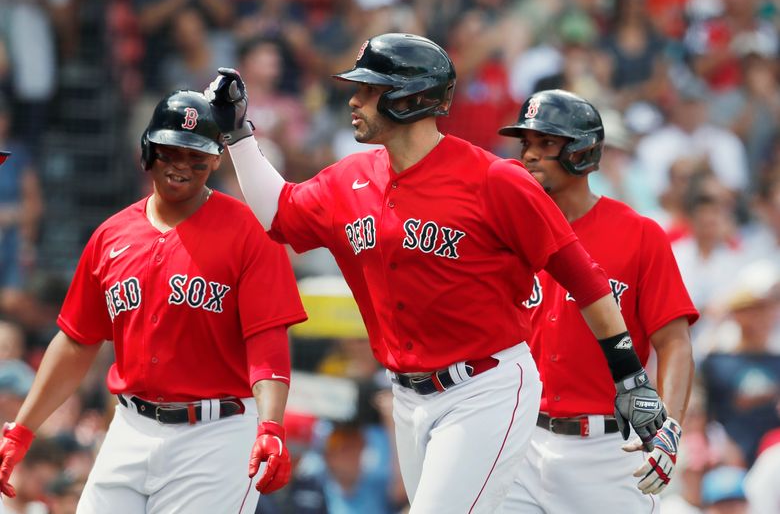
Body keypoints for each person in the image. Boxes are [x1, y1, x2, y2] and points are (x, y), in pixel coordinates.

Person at [207, 33, 667, 513]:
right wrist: (239, 136)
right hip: (406, 397)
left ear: (411, 99)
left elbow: (586, 280)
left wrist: (630, 379)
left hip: (485, 388)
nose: (354, 99)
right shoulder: (349, 178)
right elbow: (278, 214)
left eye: (369, 89)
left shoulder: (495, 180)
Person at [0, 90, 308, 513]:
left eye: (196, 155)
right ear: (148, 149)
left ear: (216, 158)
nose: (181, 164)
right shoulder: (111, 235)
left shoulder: (249, 232)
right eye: (170, 151)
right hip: (129, 426)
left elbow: (267, 340)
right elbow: (76, 342)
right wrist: (23, 429)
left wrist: (271, 424)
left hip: (216, 434)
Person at [497, 89, 699, 513]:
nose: (530, 155)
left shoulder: (639, 234)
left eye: (546, 143)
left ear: (583, 151)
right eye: (527, 144)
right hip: (520, 439)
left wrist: (671, 426)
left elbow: (674, 342)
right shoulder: (506, 234)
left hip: (608, 449)